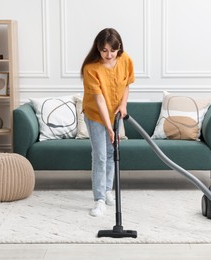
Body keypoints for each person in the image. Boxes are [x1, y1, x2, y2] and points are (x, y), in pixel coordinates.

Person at [81, 28, 135, 217]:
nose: (109, 55)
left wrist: (123, 105)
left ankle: (108, 190)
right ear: (98, 48)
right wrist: (108, 126)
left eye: (113, 50)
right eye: (104, 50)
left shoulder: (125, 59)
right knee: (100, 155)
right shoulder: (91, 69)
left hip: (116, 113)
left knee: (113, 152)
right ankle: (99, 200)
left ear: (119, 47)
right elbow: (99, 100)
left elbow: (127, 84)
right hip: (96, 114)